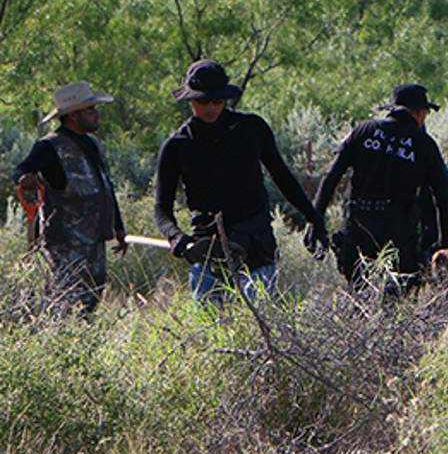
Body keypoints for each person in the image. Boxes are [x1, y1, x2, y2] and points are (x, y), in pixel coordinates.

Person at [154, 60, 329, 303]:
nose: (210, 108)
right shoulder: (176, 146)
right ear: (191, 100)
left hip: (255, 240)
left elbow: (283, 177)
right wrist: (175, 236)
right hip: (207, 248)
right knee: (209, 325)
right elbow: (162, 208)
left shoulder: (252, 129)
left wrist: (313, 217)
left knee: (261, 315)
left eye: (217, 101)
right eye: (203, 101)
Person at [311, 83, 448, 294]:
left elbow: (331, 177)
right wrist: (445, 243)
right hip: (397, 231)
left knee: (359, 295)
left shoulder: (363, 130)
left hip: (359, 224)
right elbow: (442, 198)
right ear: (419, 113)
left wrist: (315, 219)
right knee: (396, 300)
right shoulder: (424, 144)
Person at [13, 81, 127, 313]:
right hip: (65, 246)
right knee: (65, 304)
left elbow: (106, 187)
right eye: (90, 110)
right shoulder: (49, 146)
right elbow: (21, 170)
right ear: (74, 115)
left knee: (92, 301)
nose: (96, 114)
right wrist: (25, 179)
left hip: (95, 240)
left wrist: (119, 227)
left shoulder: (92, 144)